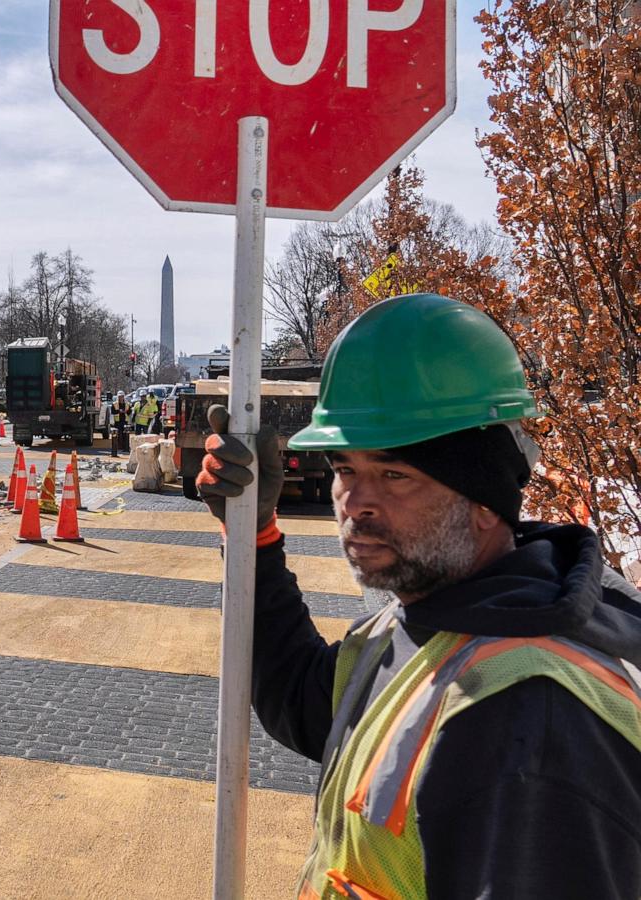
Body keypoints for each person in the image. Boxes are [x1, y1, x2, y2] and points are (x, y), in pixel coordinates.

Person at [196, 294, 641, 899]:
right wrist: (254, 536)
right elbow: (307, 702)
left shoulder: (529, 718)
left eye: (395, 474)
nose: (355, 503)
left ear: (485, 503)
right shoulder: (431, 619)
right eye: (346, 470)